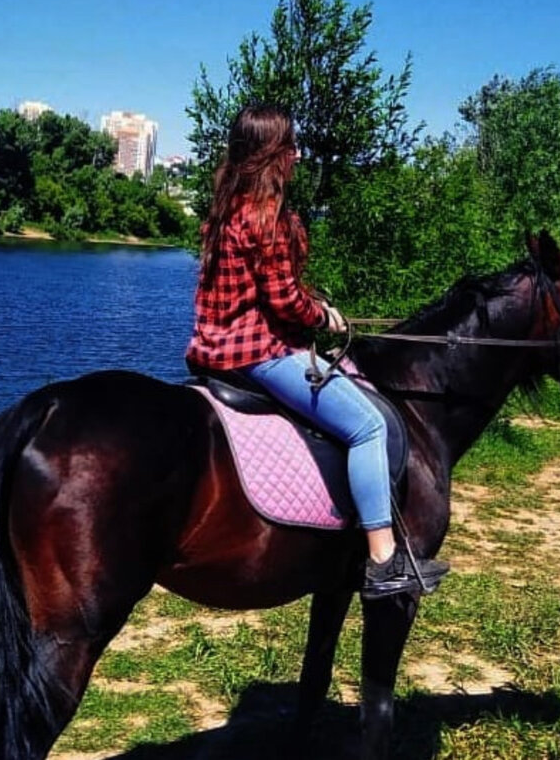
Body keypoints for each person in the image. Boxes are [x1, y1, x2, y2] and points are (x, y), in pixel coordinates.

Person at [185, 103, 448, 599]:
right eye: (290, 146)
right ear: (271, 155)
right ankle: (381, 560)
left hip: (211, 352)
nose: (297, 155)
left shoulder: (224, 212)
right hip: (258, 354)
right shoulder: (266, 217)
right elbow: (283, 300)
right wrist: (322, 315)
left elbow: (260, 293)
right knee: (368, 426)